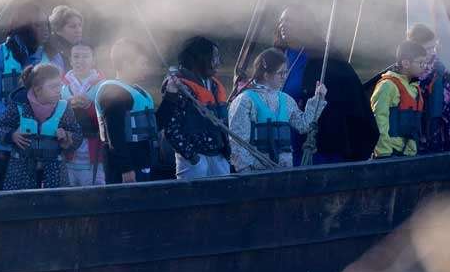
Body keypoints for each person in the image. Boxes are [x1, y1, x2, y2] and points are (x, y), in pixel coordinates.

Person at [272, 6, 377, 163]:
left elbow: (349, 99)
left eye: (290, 21)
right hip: (278, 143)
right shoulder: (275, 56)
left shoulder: (326, 59)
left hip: (315, 147)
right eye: (282, 21)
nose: (283, 25)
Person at [229, 48, 327, 170]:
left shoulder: (286, 100)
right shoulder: (245, 101)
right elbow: (238, 143)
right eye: (280, 73)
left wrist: (318, 99)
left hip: (284, 171)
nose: (285, 77)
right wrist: (246, 172)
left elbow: (304, 125)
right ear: (266, 75)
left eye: (286, 72)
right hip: (257, 172)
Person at [0, 9, 49, 179]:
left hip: (43, 146)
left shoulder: (49, 56)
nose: (45, 29)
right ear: (23, 27)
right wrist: (13, 126)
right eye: (38, 25)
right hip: (7, 145)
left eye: (47, 24)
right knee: (6, 192)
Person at [0, 62, 84, 191]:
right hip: (20, 175)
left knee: (53, 204)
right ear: (37, 90)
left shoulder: (64, 107)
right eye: (53, 87)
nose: (58, 90)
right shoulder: (19, 105)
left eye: (59, 85)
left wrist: (67, 137)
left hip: (55, 176)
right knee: (20, 204)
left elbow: (77, 135)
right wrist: (12, 135)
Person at [160, 35, 234, 179]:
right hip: (194, 160)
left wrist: (226, 152)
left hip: (219, 155)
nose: (218, 62)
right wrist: (192, 157)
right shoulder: (177, 86)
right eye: (214, 58)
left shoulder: (214, 86)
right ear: (201, 59)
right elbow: (171, 127)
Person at [95, 38, 162, 184]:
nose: (146, 68)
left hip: (144, 161)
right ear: (126, 64)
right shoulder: (113, 92)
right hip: (126, 168)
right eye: (143, 63)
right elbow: (115, 135)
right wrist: (126, 168)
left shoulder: (138, 91)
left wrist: (171, 97)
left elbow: (156, 124)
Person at [405, 23, 450, 154]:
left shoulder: (440, 72)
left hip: (435, 135)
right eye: (428, 49)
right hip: (408, 139)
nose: (432, 52)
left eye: (434, 47)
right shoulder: (403, 73)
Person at [371, 39, 429, 158]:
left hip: (408, 154)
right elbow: (379, 119)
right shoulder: (387, 86)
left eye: (425, 63)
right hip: (389, 153)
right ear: (406, 63)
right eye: (421, 63)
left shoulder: (415, 87)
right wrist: (384, 153)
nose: (424, 67)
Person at [61, 41, 105, 187]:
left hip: (95, 158)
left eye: (85, 56)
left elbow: (108, 119)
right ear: (70, 60)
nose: (80, 61)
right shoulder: (61, 86)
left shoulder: (103, 85)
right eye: (76, 56)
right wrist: (66, 107)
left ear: (93, 60)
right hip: (67, 157)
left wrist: (89, 107)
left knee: (95, 196)